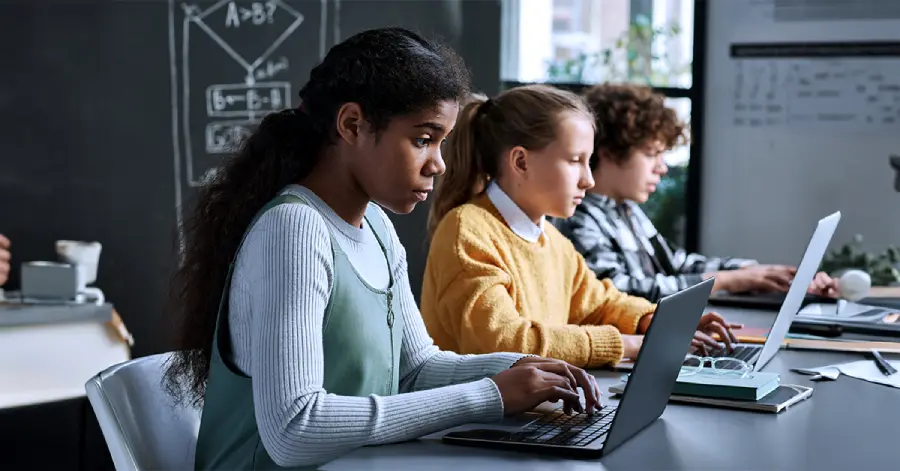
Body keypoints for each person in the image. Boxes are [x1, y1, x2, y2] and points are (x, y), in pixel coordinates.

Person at [163, 28, 603, 471]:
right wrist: (490, 395)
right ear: (352, 124)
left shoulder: (376, 224)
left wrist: (521, 366)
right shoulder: (293, 229)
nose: (439, 163)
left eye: (442, 141)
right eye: (423, 139)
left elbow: (415, 369)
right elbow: (294, 429)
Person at [420, 84, 740, 371]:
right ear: (521, 162)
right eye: (575, 161)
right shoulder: (467, 230)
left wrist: (655, 320)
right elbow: (502, 340)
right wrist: (626, 345)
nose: (589, 179)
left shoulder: (552, 241)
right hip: (473, 427)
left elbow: (600, 303)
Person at [552, 83, 839, 303]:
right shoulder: (580, 218)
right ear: (610, 154)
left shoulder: (625, 211)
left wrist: (762, 274)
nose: (661, 168)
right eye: (652, 154)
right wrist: (728, 281)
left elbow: (677, 264)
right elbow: (617, 292)